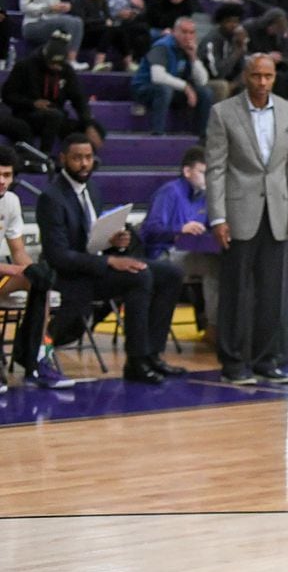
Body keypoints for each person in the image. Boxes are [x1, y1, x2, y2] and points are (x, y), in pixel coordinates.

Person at [38, 133, 186, 384]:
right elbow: (58, 256)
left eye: (88, 157)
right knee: (139, 276)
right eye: (77, 158)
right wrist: (109, 262)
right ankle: (136, 361)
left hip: (95, 267)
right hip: (71, 277)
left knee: (171, 274)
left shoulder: (92, 190)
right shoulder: (51, 198)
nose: (84, 164)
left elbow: (91, 238)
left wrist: (115, 243)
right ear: (63, 159)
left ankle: (153, 354)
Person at [206, 54, 288, 385]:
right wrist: (218, 217)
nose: (262, 82)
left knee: (272, 293)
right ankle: (233, 363)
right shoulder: (223, 112)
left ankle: (266, 360)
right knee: (235, 291)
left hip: (278, 213)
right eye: (256, 75)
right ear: (245, 76)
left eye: (268, 76)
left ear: (275, 78)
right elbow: (215, 169)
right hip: (237, 212)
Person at [0, 144, 65, 389]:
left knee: (40, 279)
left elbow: (18, 252)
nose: (2, 181)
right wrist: (15, 270)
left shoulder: (11, 202)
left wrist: (32, 270)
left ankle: (35, 358)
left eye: (7, 175)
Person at [140, 146, 220, 337]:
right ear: (187, 171)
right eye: (203, 172)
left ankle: (217, 324)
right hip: (162, 254)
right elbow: (150, 230)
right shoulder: (169, 192)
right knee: (215, 267)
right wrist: (179, 229)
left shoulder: (204, 196)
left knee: (222, 263)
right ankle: (213, 327)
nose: (208, 178)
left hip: (190, 252)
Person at [2, 31, 104, 154]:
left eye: (59, 64)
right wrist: (32, 103)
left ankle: (84, 158)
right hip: (28, 114)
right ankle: (45, 155)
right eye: (53, 63)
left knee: (96, 128)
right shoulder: (24, 66)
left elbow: (78, 99)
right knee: (54, 116)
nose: (56, 67)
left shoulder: (66, 70)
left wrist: (88, 124)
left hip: (57, 116)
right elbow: (8, 95)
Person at [132, 17, 213, 137]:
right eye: (184, 32)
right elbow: (158, 77)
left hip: (171, 90)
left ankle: (201, 136)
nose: (188, 36)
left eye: (191, 33)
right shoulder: (162, 46)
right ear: (175, 32)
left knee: (205, 92)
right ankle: (157, 133)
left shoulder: (190, 49)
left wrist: (193, 57)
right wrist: (186, 87)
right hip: (145, 89)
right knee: (164, 89)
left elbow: (202, 81)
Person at [103, 0, 150, 70]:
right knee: (132, 28)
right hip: (111, 24)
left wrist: (137, 10)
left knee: (143, 28)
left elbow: (133, 10)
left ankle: (141, 63)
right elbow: (102, 12)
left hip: (127, 22)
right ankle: (130, 63)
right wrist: (117, 14)